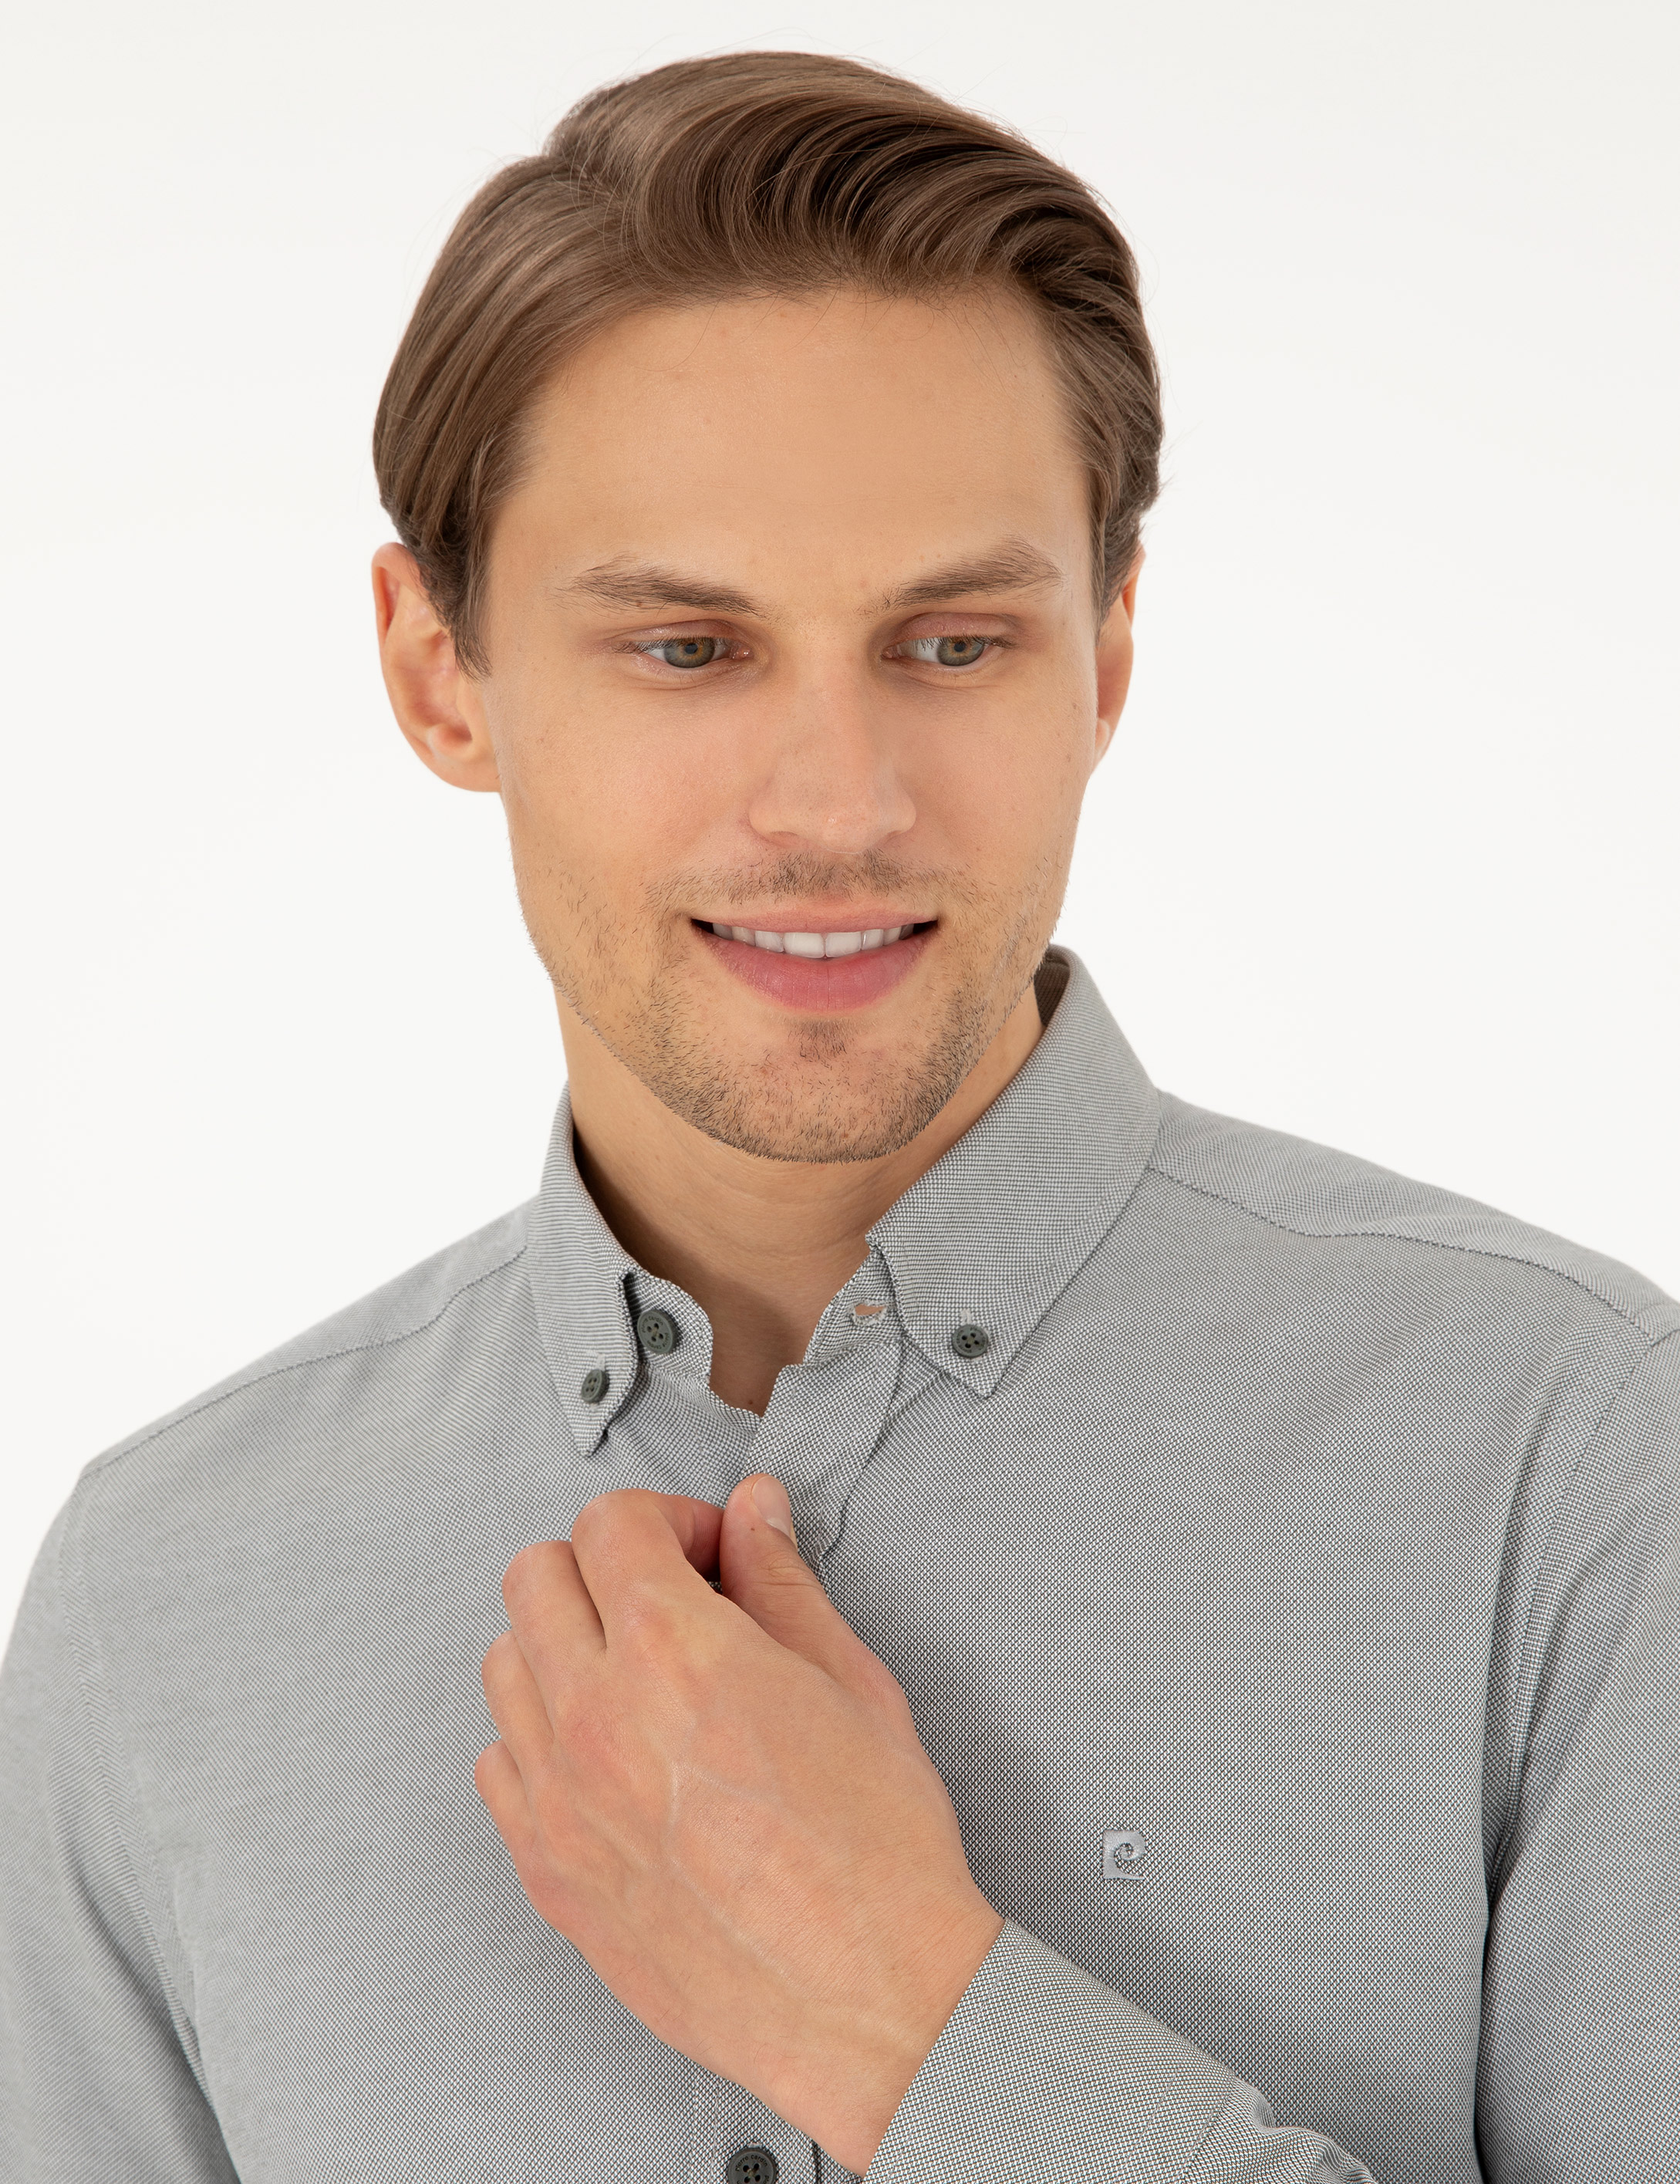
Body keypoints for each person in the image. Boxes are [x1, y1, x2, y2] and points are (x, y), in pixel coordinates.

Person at [1, 49, 1672, 2184]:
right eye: (687, 648)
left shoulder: (1577, 1463)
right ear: (439, 672)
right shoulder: (161, 1602)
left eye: (952, 645)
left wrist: (906, 2027)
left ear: (1108, 657)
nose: (836, 804)